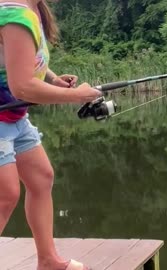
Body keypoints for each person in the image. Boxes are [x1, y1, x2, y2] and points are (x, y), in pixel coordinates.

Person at [0, 0, 102, 269]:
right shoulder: (13, 13)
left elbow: (26, 58)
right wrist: (74, 95)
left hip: (14, 118)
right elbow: (21, 86)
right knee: (6, 194)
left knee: (41, 178)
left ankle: (48, 261)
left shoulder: (32, 10)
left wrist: (52, 79)